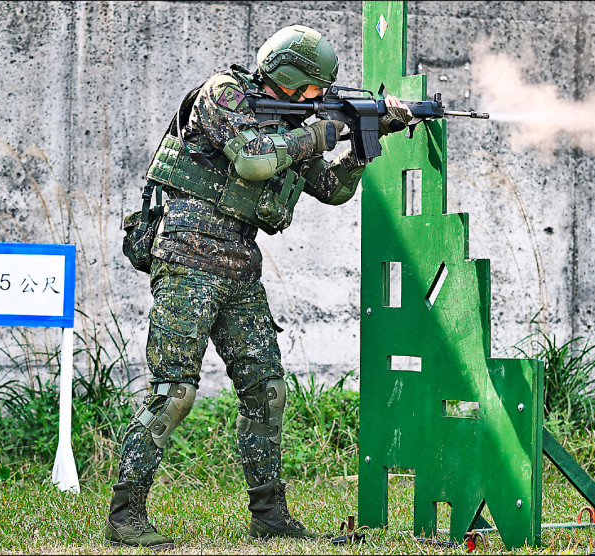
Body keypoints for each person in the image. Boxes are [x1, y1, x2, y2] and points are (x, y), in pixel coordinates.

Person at [105, 24, 411, 549]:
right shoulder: (223, 95)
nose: (318, 99)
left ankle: (269, 515)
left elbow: (331, 189)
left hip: (238, 265)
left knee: (266, 391)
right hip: (186, 256)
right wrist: (322, 131)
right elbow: (252, 159)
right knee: (174, 391)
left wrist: (366, 138)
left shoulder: (297, 124)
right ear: (289, 79)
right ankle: (125, 513)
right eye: (313, 89)